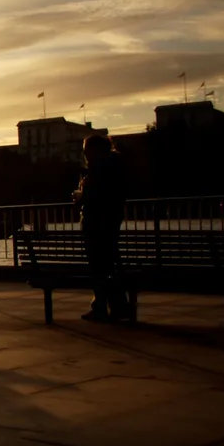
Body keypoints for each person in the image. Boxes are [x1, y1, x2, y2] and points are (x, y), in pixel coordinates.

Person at [76, 135, 129, 322]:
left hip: (98, 224)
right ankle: (116, 306)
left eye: (86, 149)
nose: (84, 153)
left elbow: (95, 197)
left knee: (101, 266)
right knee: (109, 265)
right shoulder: (114, 168)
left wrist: (82, 196)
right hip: (109, 222)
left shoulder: (99, 171)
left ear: (95, 150)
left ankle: (104, 306)